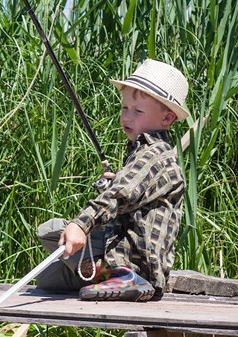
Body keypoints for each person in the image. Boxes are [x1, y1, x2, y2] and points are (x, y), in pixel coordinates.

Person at [36, 58, 190, 302]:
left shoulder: (154, 154)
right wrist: (119, 177)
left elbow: (119, 195)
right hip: (117, 249)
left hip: (136, 258)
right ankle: (106, 275)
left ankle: (126, 276)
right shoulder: (144, 153)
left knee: (54, 232)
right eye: (124, 108)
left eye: (138, 111)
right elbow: (130, 185)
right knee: (47, 277)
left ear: (167, 119)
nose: (127, 117)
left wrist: (82, 224)